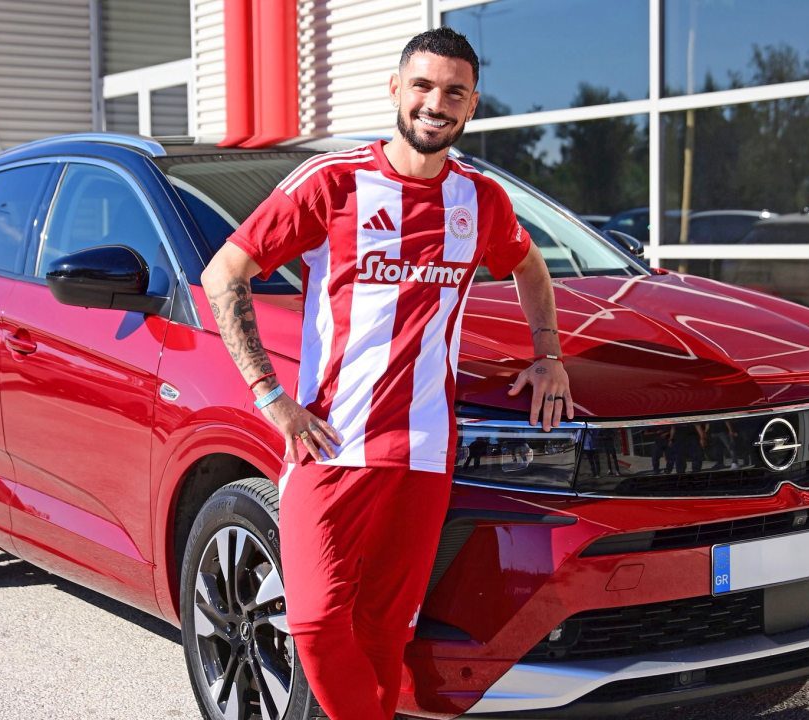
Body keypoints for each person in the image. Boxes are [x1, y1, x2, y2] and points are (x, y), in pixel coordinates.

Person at [200, 27, 572, 720]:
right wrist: (269, 395)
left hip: (425, 452)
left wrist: (548, 355)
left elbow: (528, 265)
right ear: (396, 89)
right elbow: (224, 273)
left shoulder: (481, 200)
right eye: (423, 86)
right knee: (314, 622)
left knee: (384, 629)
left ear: (472, 105)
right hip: (331, 441)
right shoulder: (332, 182)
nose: (436, 103)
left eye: (454, 92)